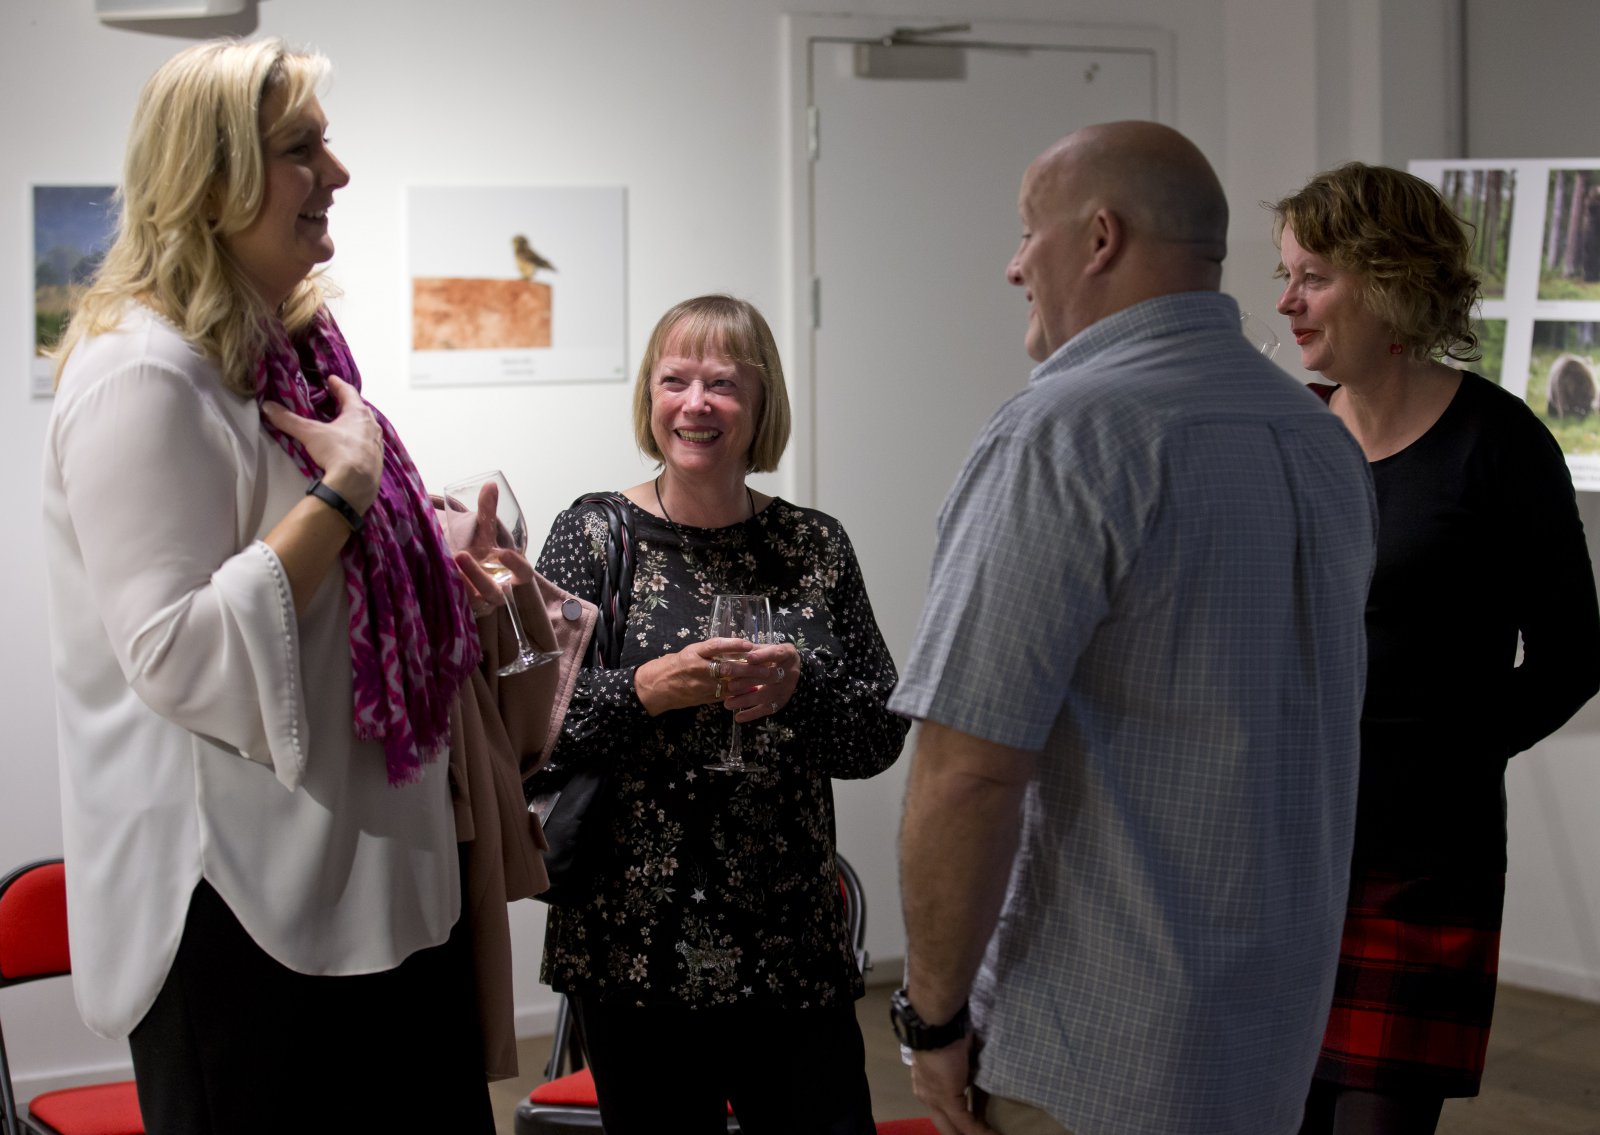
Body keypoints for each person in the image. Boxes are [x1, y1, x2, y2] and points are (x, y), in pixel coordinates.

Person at [42, 39, 517, 1133]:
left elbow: (320, 584)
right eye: (302, 149)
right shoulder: (142, 373)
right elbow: (175, 653)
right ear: (211, 182)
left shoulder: (288, 348)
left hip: (369, 874)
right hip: (242, 909)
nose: (336, 174)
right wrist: (344, 495)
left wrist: (431, 556)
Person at [888, 121, 1378, 1135]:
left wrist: (929, 1015)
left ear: (1099, 237)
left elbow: (967, 771)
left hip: (1092, 1051)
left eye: (1027, 231)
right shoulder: (1320, 438)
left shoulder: (1064, 435)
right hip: (1270, 1039)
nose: (1014, 264)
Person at [1273, 163, 1600, 1135]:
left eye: (1314, 276)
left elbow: (1573, 652)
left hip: (1420, 864)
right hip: (1285, 853)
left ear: (1390, 281)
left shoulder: (1497, 444)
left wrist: (1452, 753)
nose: (1287, 301)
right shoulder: (1290, 437)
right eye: (1285, 274)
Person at [531, 294, 907, 1135]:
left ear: (761, 403)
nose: (695, 404)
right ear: (649, 395)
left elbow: (881, 730)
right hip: (633, 948)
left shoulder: (815, 546)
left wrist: (799, 690)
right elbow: (528, 729)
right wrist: (646, 689)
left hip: (790, 944)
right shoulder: (593, 537)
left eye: (723, 384)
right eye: (675, 380)